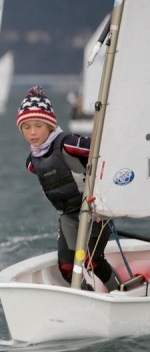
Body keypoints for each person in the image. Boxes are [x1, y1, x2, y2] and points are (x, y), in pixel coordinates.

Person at [17, 86, 119, 291]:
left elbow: (104, 152)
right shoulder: (32, 163)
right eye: (26, 127)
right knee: (66, 266)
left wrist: (102, 200)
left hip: (95, 211)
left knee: (91, 259)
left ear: (50, 125)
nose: (33, 132)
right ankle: (87, 296)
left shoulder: (69, 144)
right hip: (69, 216)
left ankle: (120, 291)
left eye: (38, 125)